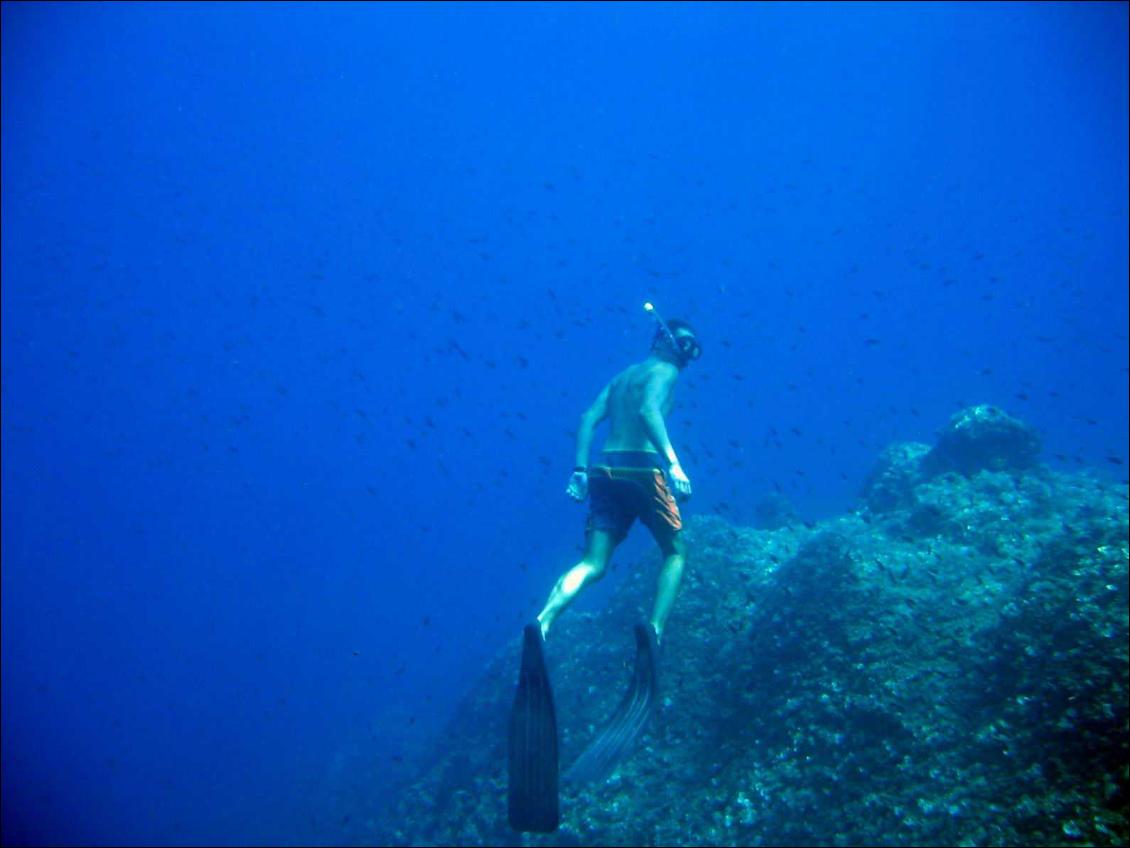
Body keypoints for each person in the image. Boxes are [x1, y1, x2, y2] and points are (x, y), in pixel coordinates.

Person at [535, 312, 702, 647]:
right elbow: (648, 411)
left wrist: (580, 470)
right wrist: (674, 464)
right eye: (684, 345)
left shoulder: (623, 376)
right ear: (664, 342)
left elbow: (587, 418)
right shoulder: (665, 371)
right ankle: (654, 633)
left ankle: (543, 621)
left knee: (593, 563)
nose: (687, 355)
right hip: (641, 469)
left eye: (693, 348)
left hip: (605, 469)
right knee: (675, 552)